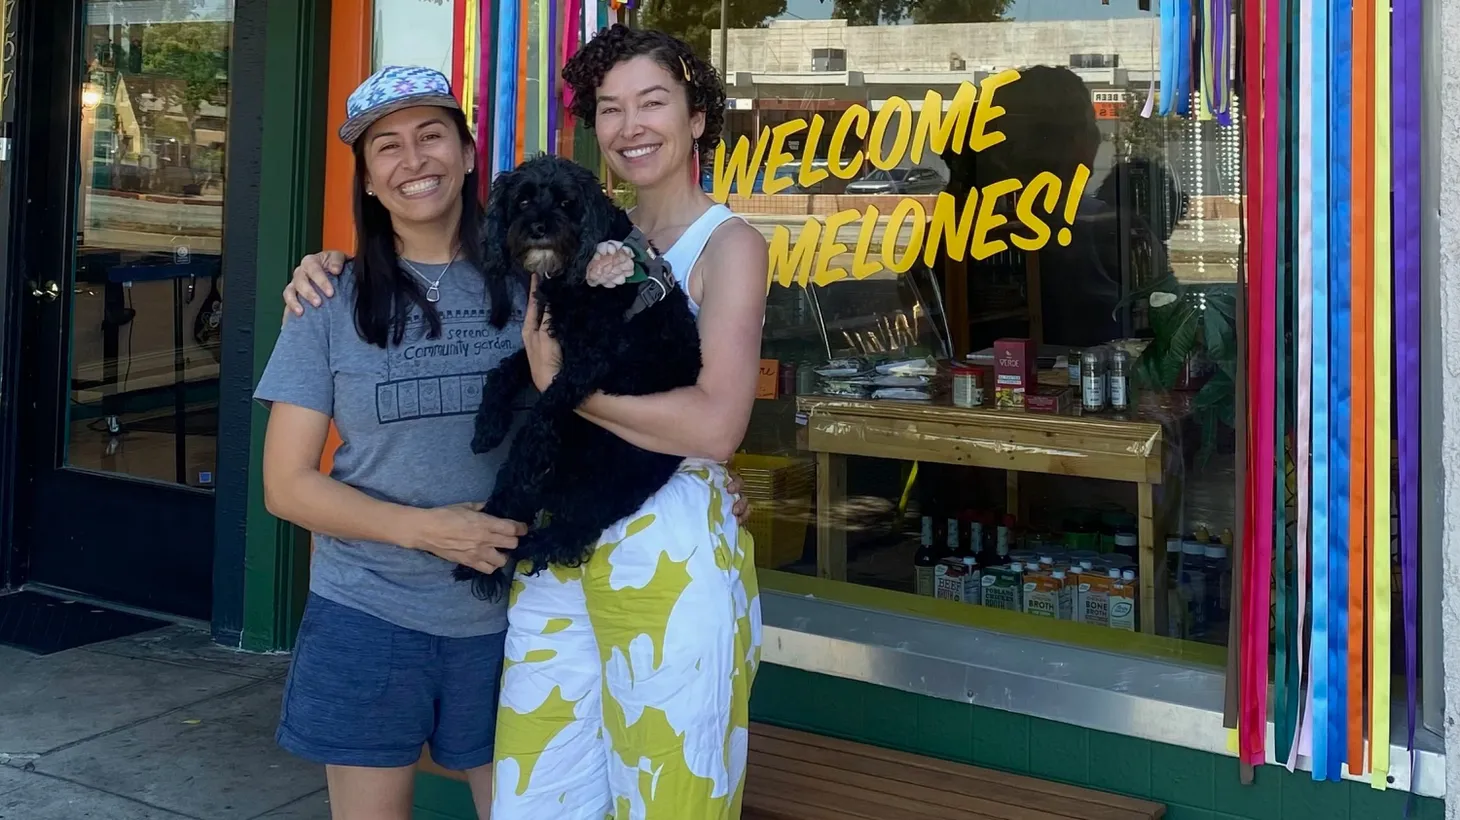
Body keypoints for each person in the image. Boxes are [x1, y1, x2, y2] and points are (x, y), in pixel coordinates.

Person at [285, 27, 769, 819]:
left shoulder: (726, 244)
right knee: (538, 795)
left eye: (654, 102)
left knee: (667, 792)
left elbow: (713, 429)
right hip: (545, 559)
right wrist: (325, 263)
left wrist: (566, 393)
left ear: (697, 117)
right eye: (610, 108)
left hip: (653, 553)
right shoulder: (566, 246)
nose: (631, 125)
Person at [257, 65, 529, 820]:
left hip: (520, 615)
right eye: (387, 147)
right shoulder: (326, 299)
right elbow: (286, 484)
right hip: (367, 613)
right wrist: (427, 531)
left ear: (470, 154)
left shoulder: (534, 287)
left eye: (432, 135)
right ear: (369, 179)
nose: (414, 161)